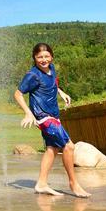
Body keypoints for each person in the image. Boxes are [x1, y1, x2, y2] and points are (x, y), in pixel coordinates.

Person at [14, 43, 90, 198]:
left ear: (52, 57)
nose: (43, 59)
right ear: (34, 58)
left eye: (46, 56)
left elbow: (53, 82)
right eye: (39, 57)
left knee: (52, 149)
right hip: (44, 118)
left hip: (53, 116)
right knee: (69, 146)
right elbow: (17, 94)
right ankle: (73, 184)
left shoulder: (52, 68)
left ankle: (41, 184)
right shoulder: (32, 76)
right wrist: (28, 113)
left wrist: (61, 93)